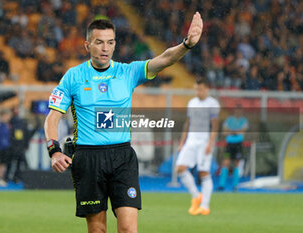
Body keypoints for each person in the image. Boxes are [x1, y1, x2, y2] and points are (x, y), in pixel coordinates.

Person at [44, 13, 203, 233]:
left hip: (122, 158)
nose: (105, 48)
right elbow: (52, 117)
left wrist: (187, 45)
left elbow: (165, 59)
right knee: (97, 230)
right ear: (87, 44)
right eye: (99, 42)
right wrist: (54, 151)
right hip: (88, 158)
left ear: (115, 44)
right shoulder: (73, 77)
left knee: (128, 229)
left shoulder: (128, 72)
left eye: (110, 42)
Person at [176, 77, 220, 216]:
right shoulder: (192, 103)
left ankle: (205, 206)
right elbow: (187, 123)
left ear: (206, 89)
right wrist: (182, 141)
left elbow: (215, 125)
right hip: (191, 140)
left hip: (203, 141)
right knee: (180, 168)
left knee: (203, 172)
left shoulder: (212, 103)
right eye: (196, 89)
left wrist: (210, 143)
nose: (198, 92)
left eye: (200, 89)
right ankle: (196, 196)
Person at [218, 105, 248, 191]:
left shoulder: (244, 120)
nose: (238, 112)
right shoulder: (229, 120)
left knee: (236, 164)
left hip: (238, 144)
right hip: (229, 144)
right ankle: (221, 185)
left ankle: (235, 185)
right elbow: (224, 132)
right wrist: (235, 132)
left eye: (239, 111)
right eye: (236, 110)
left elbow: (242, 132)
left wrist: (231, 131)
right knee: (225, 163)